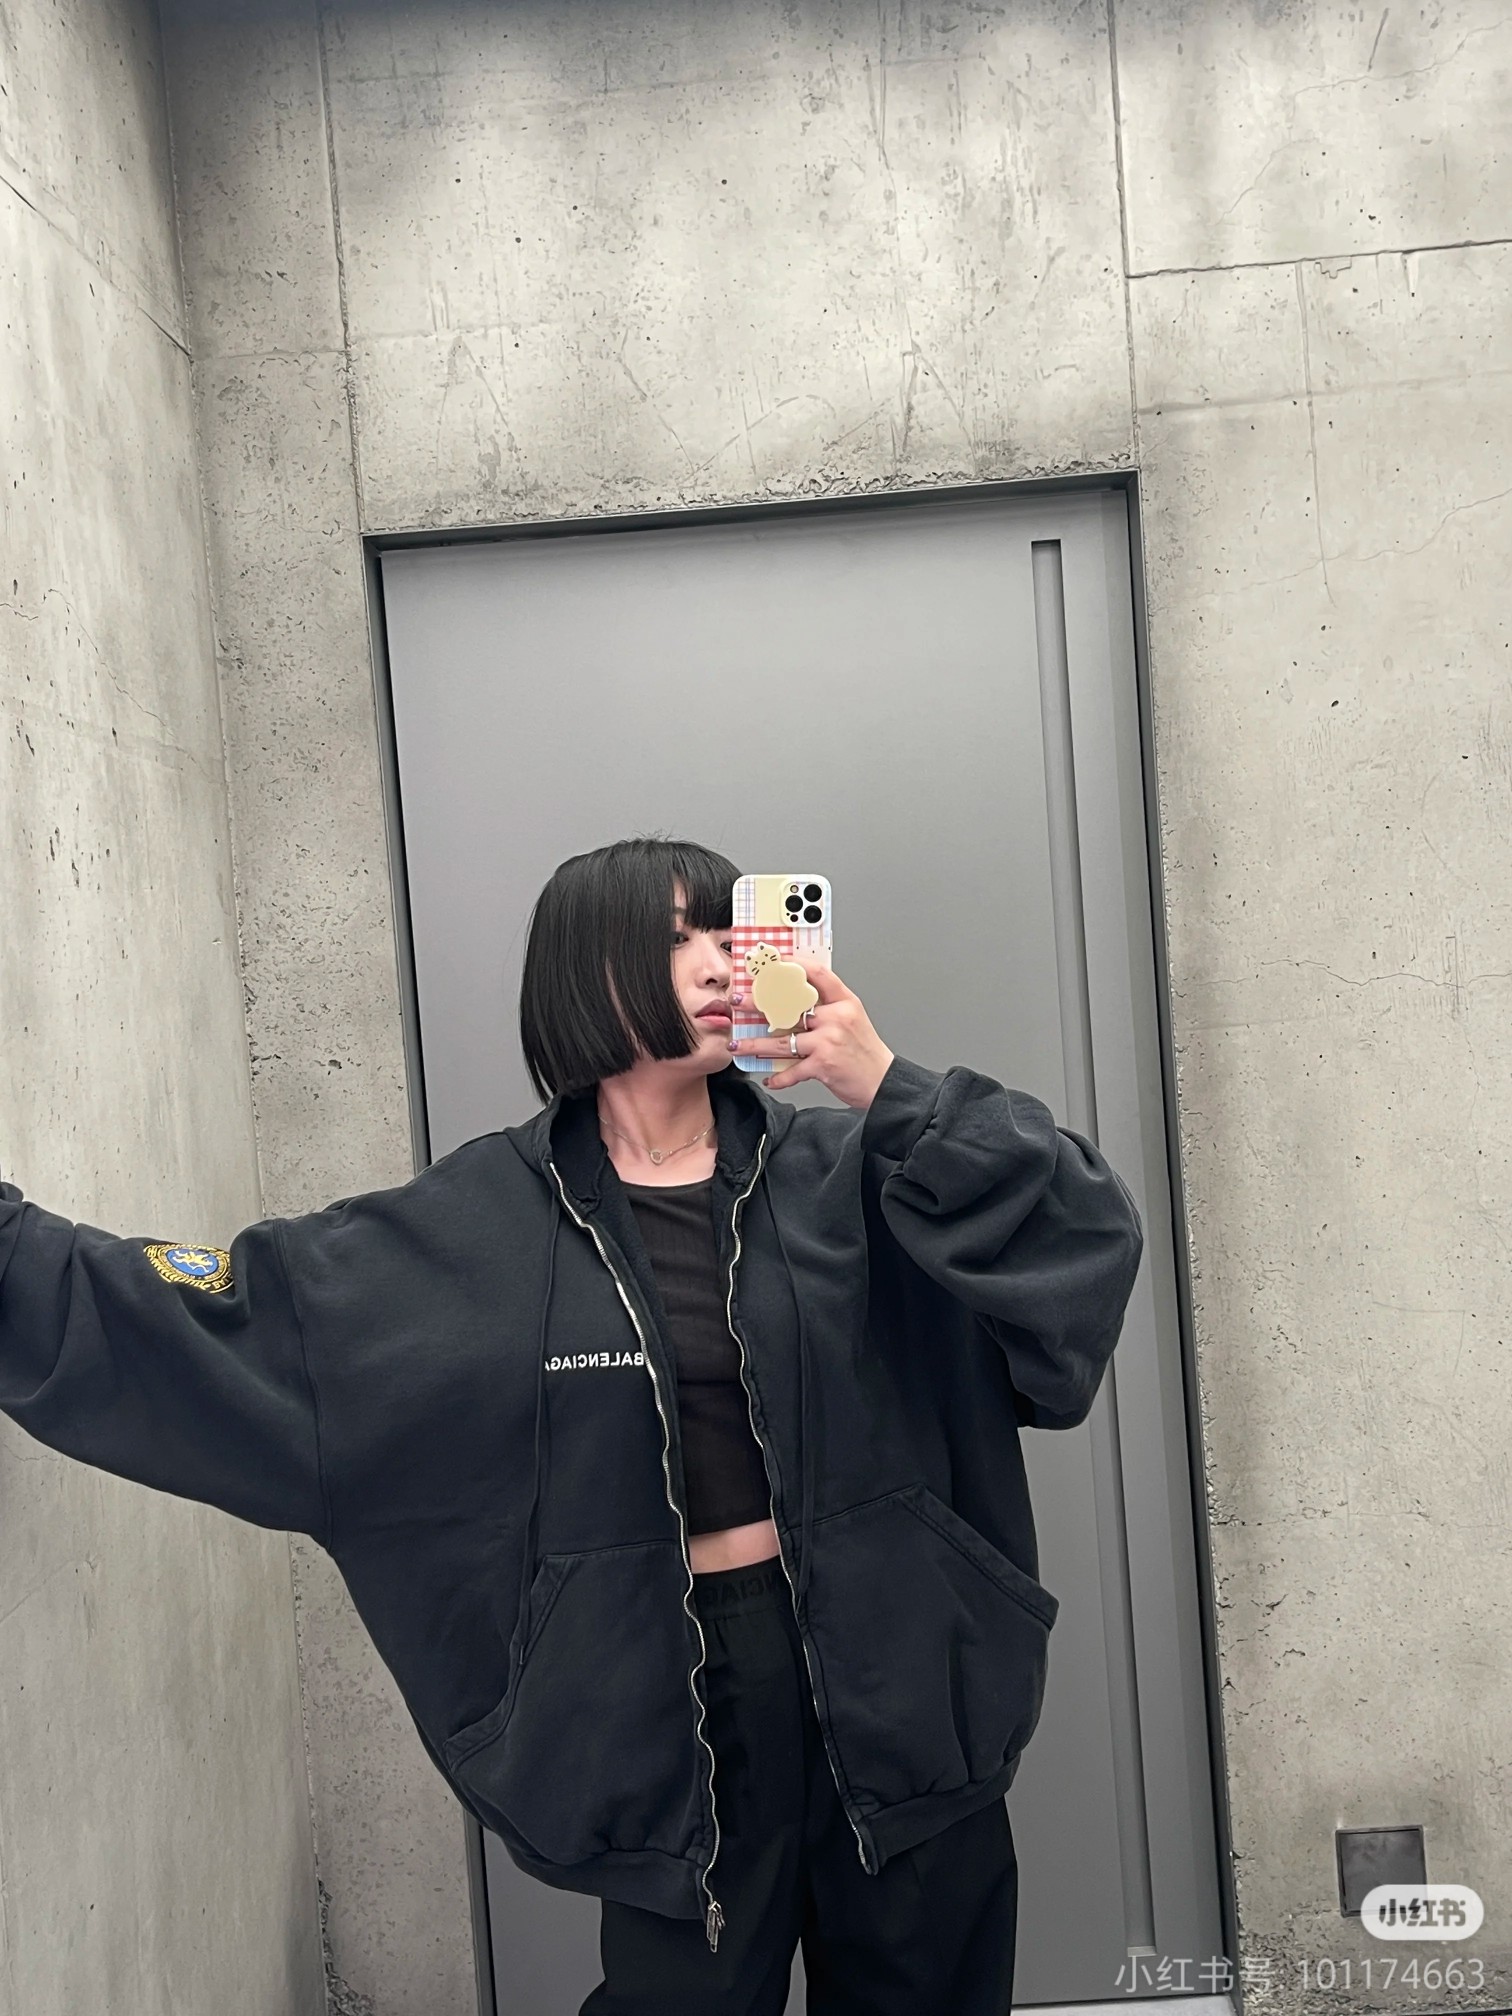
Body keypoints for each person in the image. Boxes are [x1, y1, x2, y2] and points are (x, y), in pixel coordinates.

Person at [0, 833, 1145, 2015]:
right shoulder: (476, 1231)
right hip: (675, 1713)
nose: (720, 960)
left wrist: (888, 1088)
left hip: (905, 1685)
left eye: (730, 929)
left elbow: (1081, 1243)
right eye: (676, 936)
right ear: (584, 971)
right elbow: (229, 1322)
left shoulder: (856, 1171)